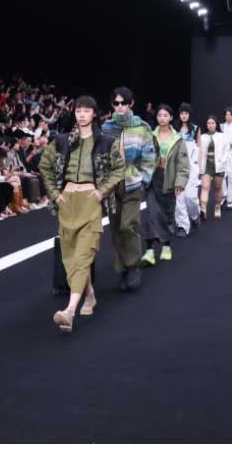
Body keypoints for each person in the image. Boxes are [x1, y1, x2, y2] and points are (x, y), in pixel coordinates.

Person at [39, 95, 125, 333]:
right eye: (78, 111)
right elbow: (44, 165)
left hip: (90, 202)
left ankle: (69, 311)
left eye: (87, 111)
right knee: (70, 258)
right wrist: (54, 194)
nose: (82, 115)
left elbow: (119, 170)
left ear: (94, 113)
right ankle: (89, 295)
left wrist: (102, 191)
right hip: (67, 202)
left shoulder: (106, 142)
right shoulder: (62, 140)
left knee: (84, 255)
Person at [100, 87, 155, 291]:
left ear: (131, 104)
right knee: (115, 228)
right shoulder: (106, 128)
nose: (120, 106)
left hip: (133, 182)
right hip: (111, 185)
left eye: (123, 102)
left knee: (128, 225)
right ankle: (123, 268)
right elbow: (100, 155)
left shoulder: (142, 127)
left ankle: (133, 266)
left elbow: (149, 155)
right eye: (116, 103)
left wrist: (144, 179)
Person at [143, 104, 189, 265]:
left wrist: (180, 184)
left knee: (167, 215)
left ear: (170, 117)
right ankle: (149, 251)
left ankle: (166, 246)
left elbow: (183, 164)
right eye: (159, 115)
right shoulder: (150, 136)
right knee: (151, 214)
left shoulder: (178, 139)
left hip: (169, 179)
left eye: (165, 115)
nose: (162, 118)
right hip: (152, 178)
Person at [173, 103, 202, 237]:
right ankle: (183, 226)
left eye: (186, 113)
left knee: (191, 197)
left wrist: (200, 168)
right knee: (179, 197)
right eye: (182, 113)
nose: (184, 115)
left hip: (192, 168)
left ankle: (195, 216)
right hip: (178, 167)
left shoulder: (196, 129)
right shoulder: (175, 129)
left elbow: (200, 149)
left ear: (190, 114)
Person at [199, 115, 232, 221]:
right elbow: (199, 151)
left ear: (216, 124)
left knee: (218, 188)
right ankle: (203, 209)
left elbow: (227, 150)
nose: (210, 125)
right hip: (206, 165)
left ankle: (217, 206)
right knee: (204, 187)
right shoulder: (202, 137)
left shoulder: (222, 136)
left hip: (219, 165)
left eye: (212, 123)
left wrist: (222, 161)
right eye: (208, 123)